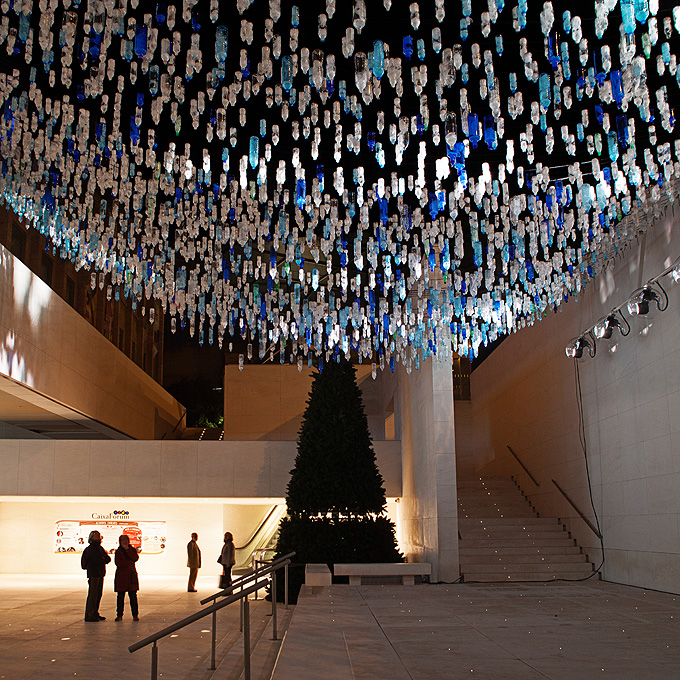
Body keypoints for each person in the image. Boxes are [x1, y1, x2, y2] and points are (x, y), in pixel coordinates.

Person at [81, 530, 111, 622]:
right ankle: (90, 614)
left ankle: (94, 612)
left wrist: (103, 558)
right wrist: (103, 559)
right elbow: (98, 560)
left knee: (98, 594)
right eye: (96, 535)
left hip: (99, 573)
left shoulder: (99, 548)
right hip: (93, 574)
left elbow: (107, 559)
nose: (98, 537)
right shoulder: (91, 549)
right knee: (93, 594)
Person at [114, 534, 140, 621]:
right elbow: (119, 563)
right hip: (121, 576)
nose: (125, 542)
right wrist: (129, 562)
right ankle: (119, 615)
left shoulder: (131, 550)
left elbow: (135, 558)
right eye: (123, 540)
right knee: (120, 597)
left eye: (126, 540)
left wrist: (128, 550)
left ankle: (135, 615)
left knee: (133, 596)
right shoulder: (118, 551)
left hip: (131, 575)